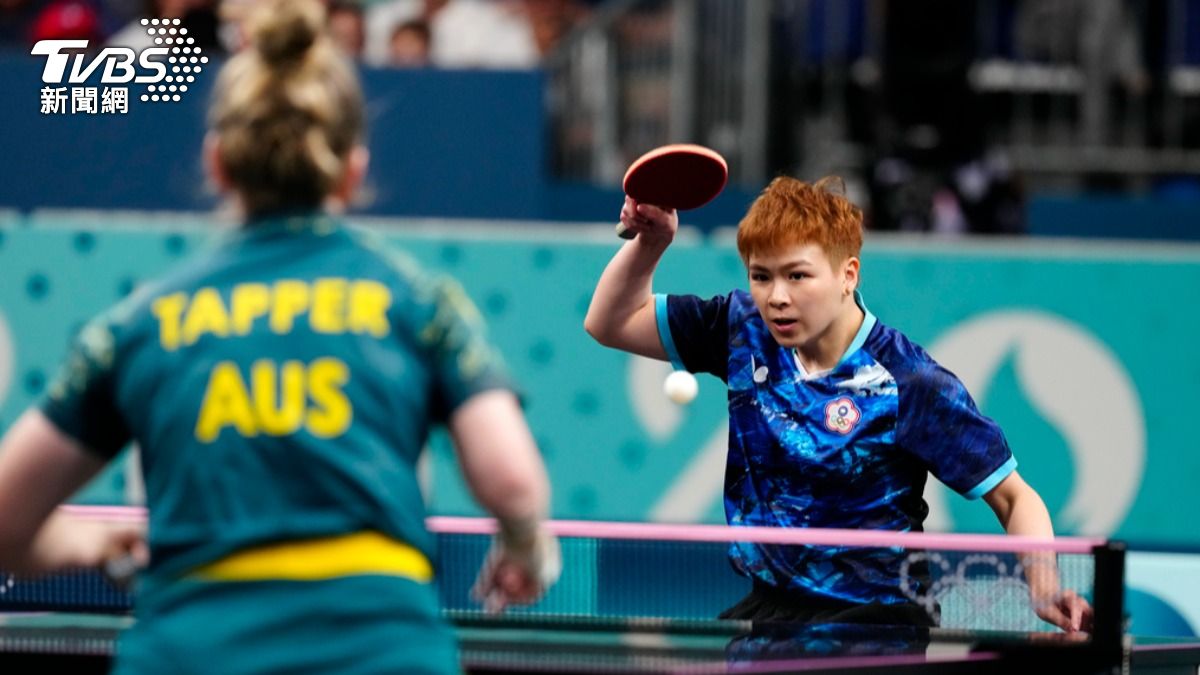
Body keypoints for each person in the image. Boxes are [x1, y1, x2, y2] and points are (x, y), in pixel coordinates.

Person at [0, 0, 558, 672]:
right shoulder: (419, 300)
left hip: (188, 650)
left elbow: (6, 521)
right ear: (352, 169)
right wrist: (526, 547)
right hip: (382, 651)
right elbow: (513, 483)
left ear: (218, 164)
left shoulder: (140, 321)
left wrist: (90, 544)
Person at [584, 176, 1090, 632]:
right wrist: (653, 242)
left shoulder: (909, 382)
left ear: (848, 274)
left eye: (798, 276)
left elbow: (1014, 497)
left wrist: (1044, 588)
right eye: (761, 277)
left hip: (875, 621)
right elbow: (609, 322)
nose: (777, 297)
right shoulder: (742, 331)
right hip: (770, 610)